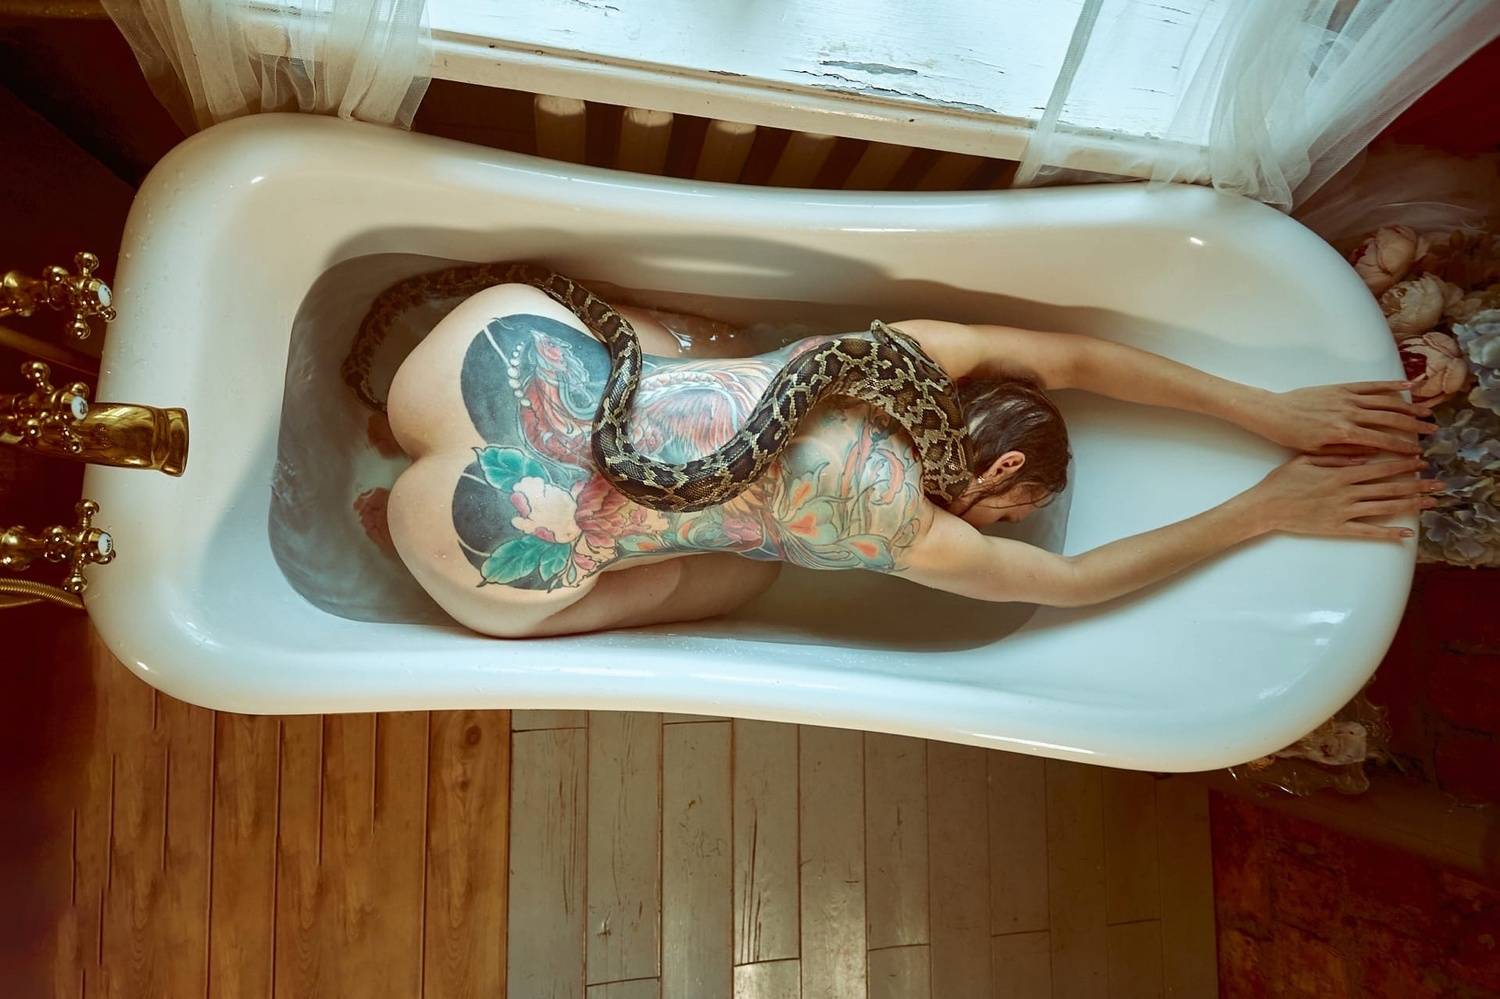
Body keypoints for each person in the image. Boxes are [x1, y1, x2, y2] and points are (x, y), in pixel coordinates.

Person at [385, 283, 1441, 638]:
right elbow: (1076, 583)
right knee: (736, 576)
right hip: (476, 552)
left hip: (490, 348)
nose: (1009, 527)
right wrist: (1263, 510)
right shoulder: (914, 532)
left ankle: (392, 418)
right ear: (999, 472)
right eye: (1016, 510)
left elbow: (1075, 359)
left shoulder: (915, 354)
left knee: (705, 350)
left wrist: (1261, 409)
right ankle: (389, 519)